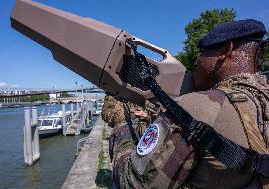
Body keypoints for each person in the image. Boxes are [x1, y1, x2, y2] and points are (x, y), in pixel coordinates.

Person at [107, 19, 269, 189]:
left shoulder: (196, 108)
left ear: (224, 50)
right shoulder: (262, 100)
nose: (196, 62)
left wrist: (121, 124)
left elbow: (131, 183)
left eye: (202, 52)